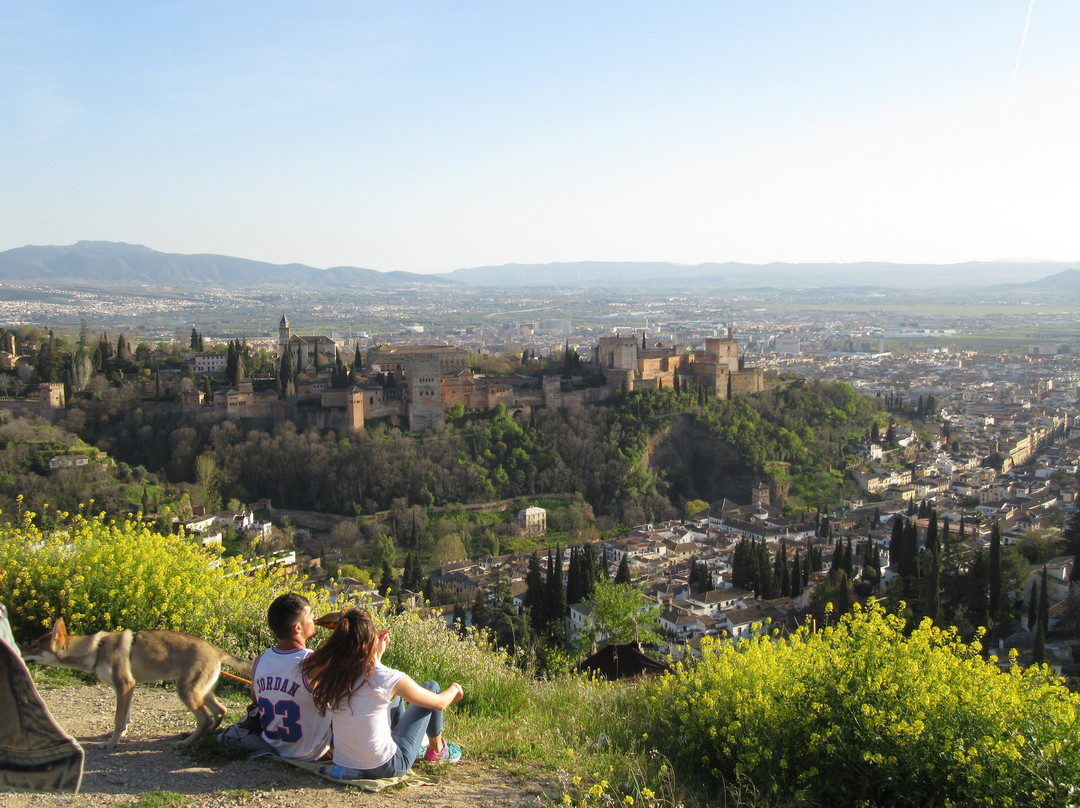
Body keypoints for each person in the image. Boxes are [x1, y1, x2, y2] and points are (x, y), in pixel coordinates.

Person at [300, 607, 463, 779]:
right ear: (371, 639)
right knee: (432, 687)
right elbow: (440, 703)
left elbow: (364, 680)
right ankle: (437, 751)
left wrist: (375, 656)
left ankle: (406, 742)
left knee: (396, 698)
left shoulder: (334, 673)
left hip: (343, 762)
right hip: (385, 767)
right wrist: (455, 689)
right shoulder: (387, 677)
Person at [244, 593, 333, 760]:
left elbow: (255, 702)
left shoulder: (261, 660)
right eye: (310, 615)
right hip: (311, 753)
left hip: (273, 745)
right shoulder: (311, 662)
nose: (314, 618)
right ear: (298, 628)